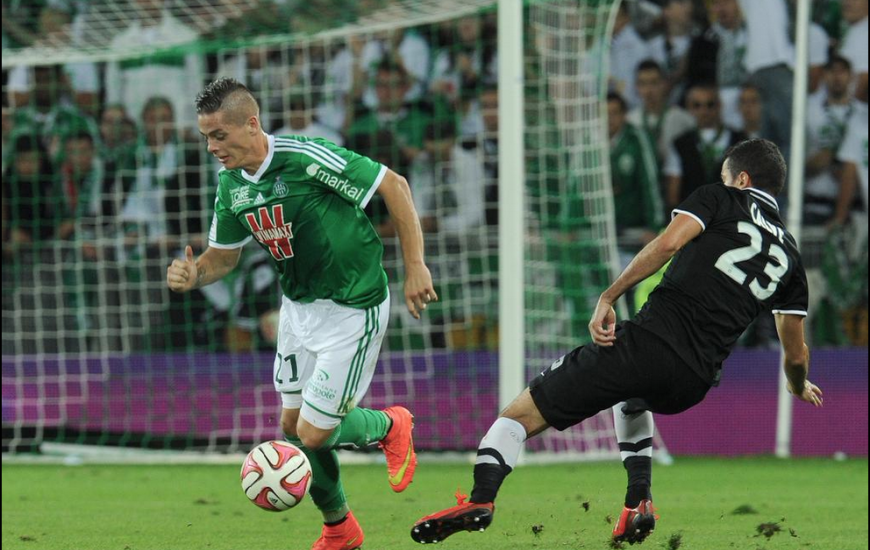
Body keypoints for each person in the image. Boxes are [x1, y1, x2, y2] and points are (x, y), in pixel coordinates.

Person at [409, 139, 822, 546]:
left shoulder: (721, 198)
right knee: (632, 397)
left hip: (647, 346)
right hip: (694, 382)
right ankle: (637, 501)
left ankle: (481, 499)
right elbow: (796, 352)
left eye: (726, 177)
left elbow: (668, 243)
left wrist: (609, 295)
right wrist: (798, 384)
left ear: (743, 179)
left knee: (516, 418)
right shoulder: (791, 259)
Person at [166, 78, 436, 550]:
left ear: (251, 124)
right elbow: (222, 257)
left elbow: (393, 184)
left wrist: (415, 266)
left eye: (219, 135)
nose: (211, 147)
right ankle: (340, 528)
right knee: (292, 428)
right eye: (206, 137)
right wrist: (195, 275)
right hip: (298, 309)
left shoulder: (305, 157)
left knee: (313, 432)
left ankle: (391, 425)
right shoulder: (231, 186)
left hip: (353, 305)